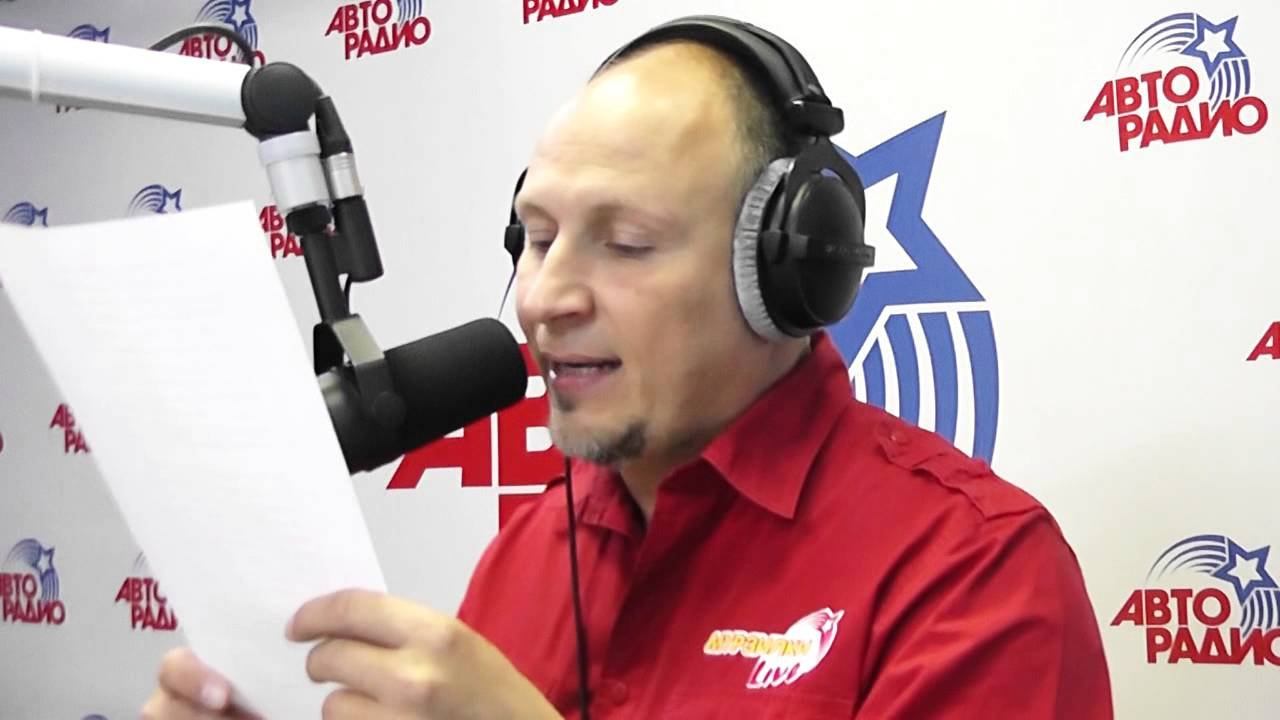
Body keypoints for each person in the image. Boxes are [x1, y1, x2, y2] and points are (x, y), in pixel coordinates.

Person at [142, 15, 1114, 720]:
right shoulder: (529, 552)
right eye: (536, 238)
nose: (543, 297)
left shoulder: (974, 575)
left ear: (787, 265)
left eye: (627, 242)